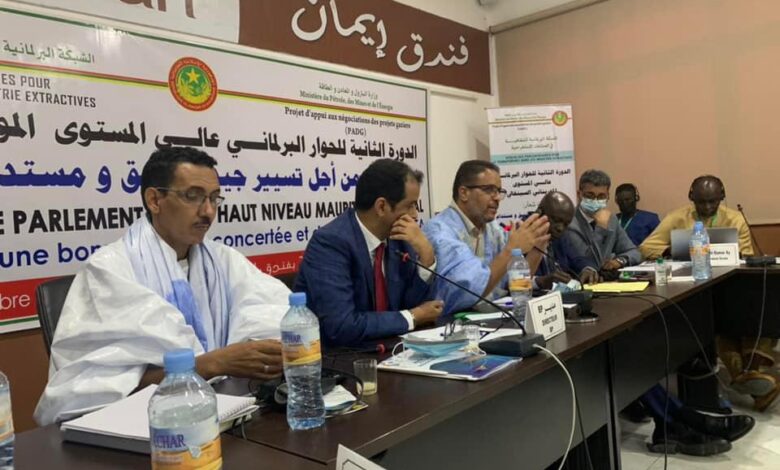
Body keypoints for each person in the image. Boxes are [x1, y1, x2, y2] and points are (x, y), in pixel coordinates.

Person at [35, 147, 291, 426]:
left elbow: (279, 317)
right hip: (146, 430)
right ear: (154, 200)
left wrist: (264, 352)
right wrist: (212, 364)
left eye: (214, 198)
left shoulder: (223, 260)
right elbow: (93, 396)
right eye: (193, 196)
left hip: (229, 418)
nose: (208, 211)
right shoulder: (109, 270)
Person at [538, 189, 755, 456]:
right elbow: (514, 288)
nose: (560, 228)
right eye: (555, 221)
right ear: (539, 214)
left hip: (566, 319)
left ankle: (674, 422)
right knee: (615, 357)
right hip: (542, 334)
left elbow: (593, 259)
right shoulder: (525, 239)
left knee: (622, 353)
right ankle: (682, 421)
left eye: (564, 222)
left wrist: (588, 269)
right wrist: (540, 281)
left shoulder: (562, 236)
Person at [641, 175, 778, 411]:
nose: (706, 207)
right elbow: (646, 247)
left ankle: (748, 374)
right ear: (691, 196)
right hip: (694, 288)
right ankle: (753, 377)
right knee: (715, 322)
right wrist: (674, 249)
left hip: (732, 286)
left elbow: (746, 255)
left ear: (722, 197)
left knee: (754, 310)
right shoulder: (678, 217)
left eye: (713, 201)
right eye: (701, 202)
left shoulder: (734, 218)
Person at [295, 159, 442, 347]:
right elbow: (341, 326)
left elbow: (418, 307)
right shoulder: (330, 243)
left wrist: (427, 255)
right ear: (381, 207)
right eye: (410, 206)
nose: (414, 215)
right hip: (341, 356)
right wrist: (414, 316)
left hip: (390, 350)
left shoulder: (399, 238)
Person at [423, 160, 550, 315]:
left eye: (499, 191)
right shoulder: (440, 231)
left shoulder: (492, 228)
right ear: (464, 193)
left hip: (491, 319)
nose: (497, 198)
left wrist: (538, 246)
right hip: (451, 323)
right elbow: (470, 288)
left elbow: (516, 282)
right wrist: (511, 249)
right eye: (489, 190)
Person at [558, 169, 641, 284]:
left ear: (608, 196)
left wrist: (619, 261)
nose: (595, 201)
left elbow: (634, 252)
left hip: (607, 284)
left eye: (601, 196)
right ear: (579, 194)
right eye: (590, 196)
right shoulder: (569, 223)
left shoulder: (611, 219)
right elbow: (591, 264)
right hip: (582, 284)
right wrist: (601, 229)